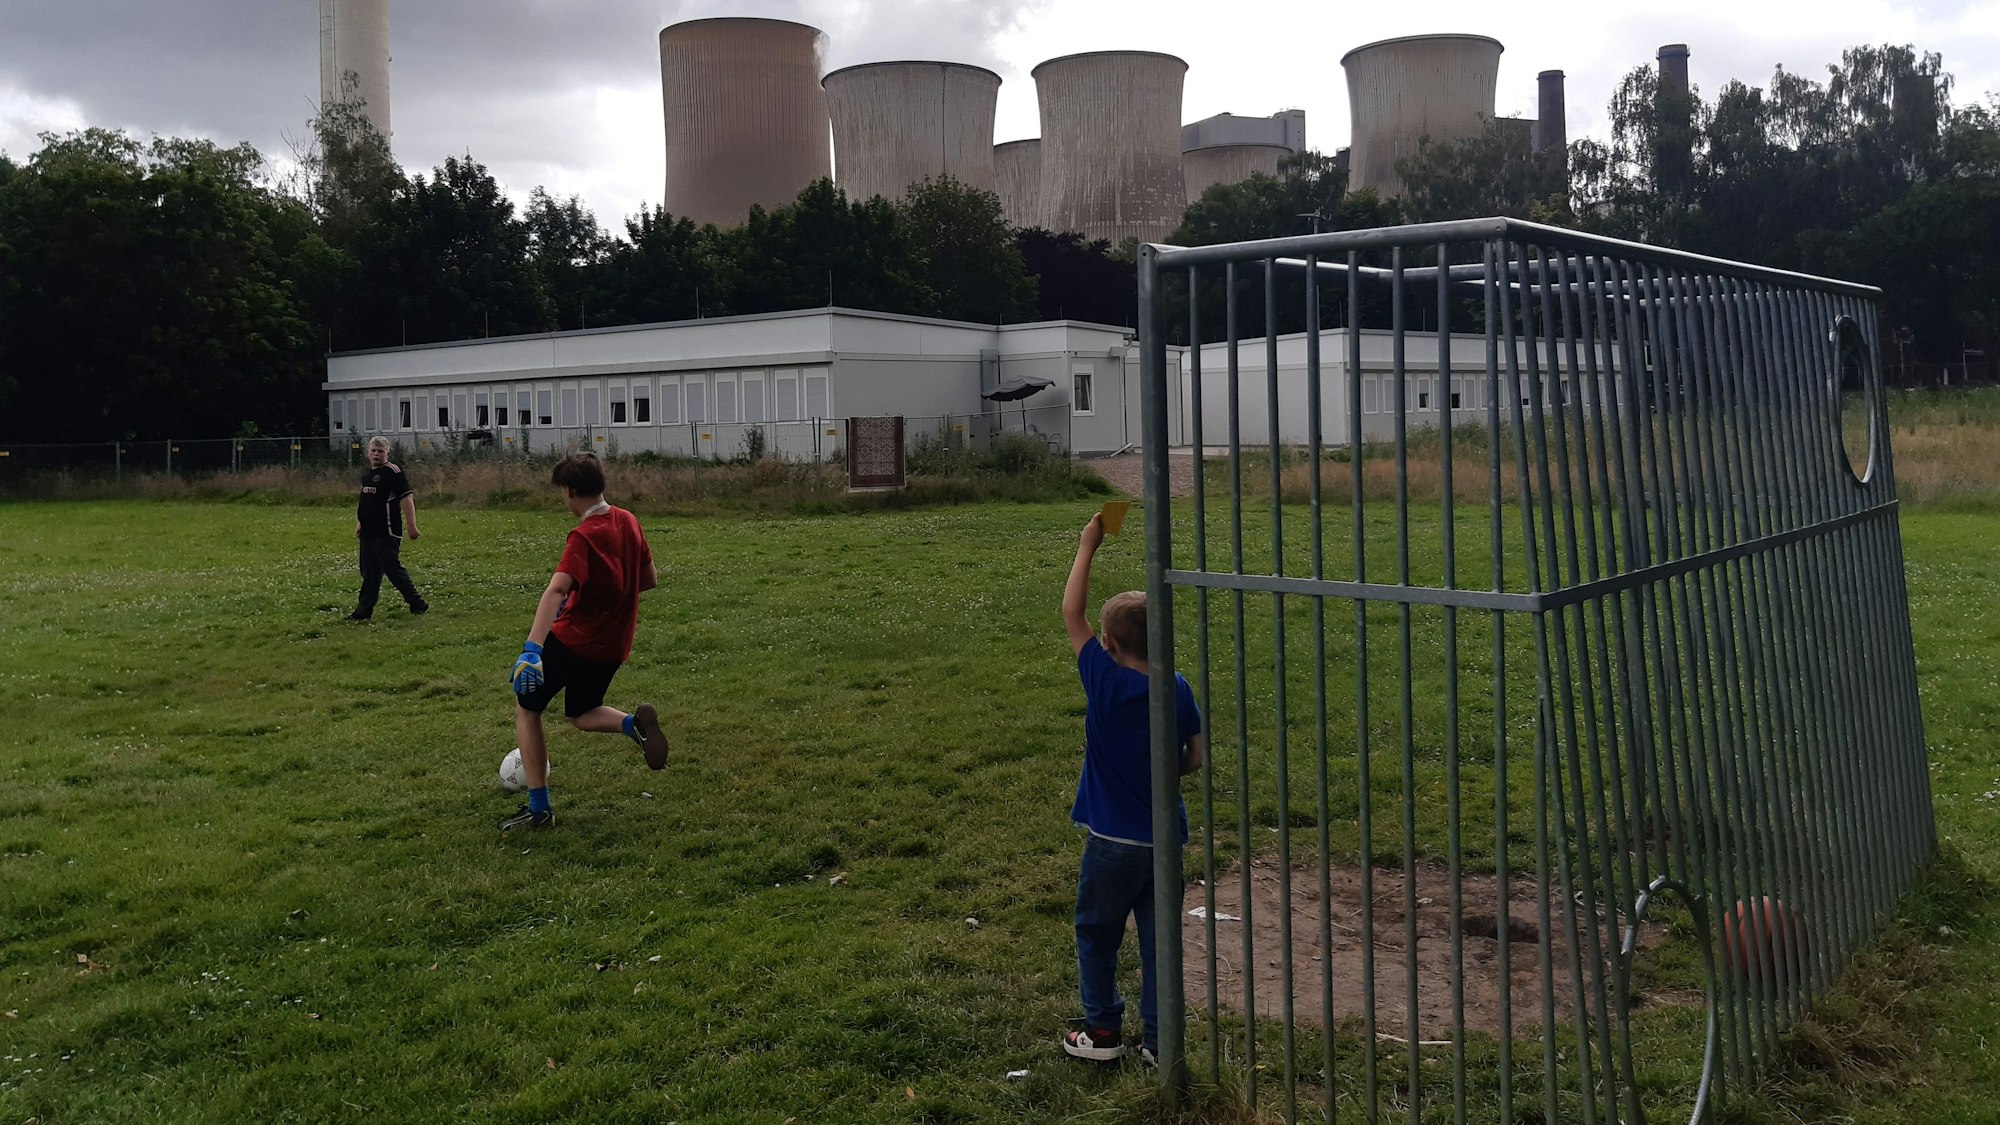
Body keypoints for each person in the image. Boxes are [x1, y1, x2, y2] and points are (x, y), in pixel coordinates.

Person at [1058, 512, 1205, 1065]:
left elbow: (1072, 612)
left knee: (1096, 932)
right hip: (1164, 838)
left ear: (1110, 642)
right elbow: (1194, 757)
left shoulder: (1103, 679)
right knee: (1157, 942)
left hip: (1111, 842)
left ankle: (1101, 1033)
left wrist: (1088, 543)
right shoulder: (1177, 687)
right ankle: (1160, 1045)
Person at [501, 451, 670, 830]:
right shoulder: (628, 520)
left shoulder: (583, 535)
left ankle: (540, 808)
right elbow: (650, 579)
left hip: (576, 638)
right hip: (613, 644)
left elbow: (556, 590)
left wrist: (533, 648)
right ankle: (633, 726)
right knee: (581, 711)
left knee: (527, 707)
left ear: (571, 491)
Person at [349, 436, 428, 620]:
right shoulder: (367, 476)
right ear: (368, 453)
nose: (376, 454)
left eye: (381, 451)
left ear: (387, 454)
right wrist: (360, 524)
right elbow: (366, 503)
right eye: (373, 451)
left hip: (387, 531)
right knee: (369, 573)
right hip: (368, 533)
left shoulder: (393, 472)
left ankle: (417, 602)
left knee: (392, 569)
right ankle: (363, 612)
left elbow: (406, 498)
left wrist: (411, 526)